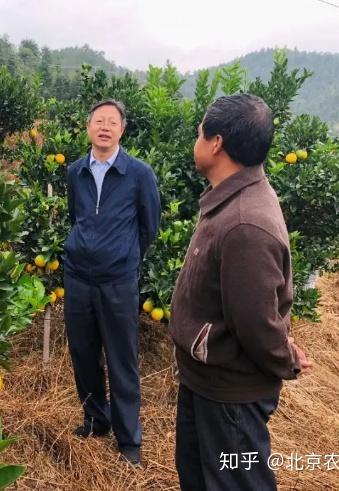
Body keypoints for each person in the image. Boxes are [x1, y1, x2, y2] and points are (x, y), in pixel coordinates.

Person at [169, 93, 312, 490]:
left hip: (230, 397)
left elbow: (254, 322)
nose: (196, 141)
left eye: (199, 133)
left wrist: (284, 357)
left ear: (216, 144)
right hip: (207, 382)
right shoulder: (232, 199)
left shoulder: (245, 223)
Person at [63, 98, 161, 466]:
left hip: (118, 282)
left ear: (122, 130)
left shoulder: (139, 174)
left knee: (122, 359)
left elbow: (148, 226)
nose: (104, 127)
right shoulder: (75, 172)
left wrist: (123, 256)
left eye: (112, 122)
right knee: (84, 354)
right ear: (88, 127)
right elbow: (77, 216)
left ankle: (129, 439)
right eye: (98, 121)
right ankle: (95, 419)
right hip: (78, 279)